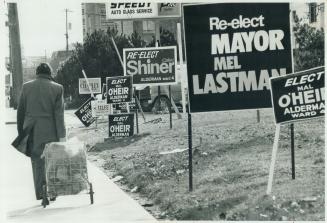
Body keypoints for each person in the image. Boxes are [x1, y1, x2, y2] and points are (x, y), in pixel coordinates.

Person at [17, 63, 66, 205]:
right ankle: (52, 191)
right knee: (52, 160)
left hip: (32, 131)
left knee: (37, 161)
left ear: (36, 72)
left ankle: (41, 192)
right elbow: (59, 115)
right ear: (50, 73)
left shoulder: (26, 87)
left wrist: (21, 132)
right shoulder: (58, 88)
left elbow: (20, 112)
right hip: (51, 130)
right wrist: (62, 135)